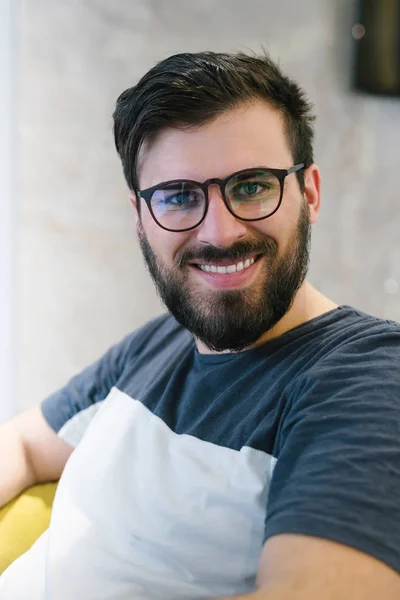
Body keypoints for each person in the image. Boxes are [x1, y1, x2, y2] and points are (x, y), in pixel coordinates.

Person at [0, 51, 399, 600]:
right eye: (180, 197)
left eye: (253, 186)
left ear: (309, 194)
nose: (220, 231)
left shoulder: (365, 381)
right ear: (141, 220)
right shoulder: (162, 341)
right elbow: (24, 444)